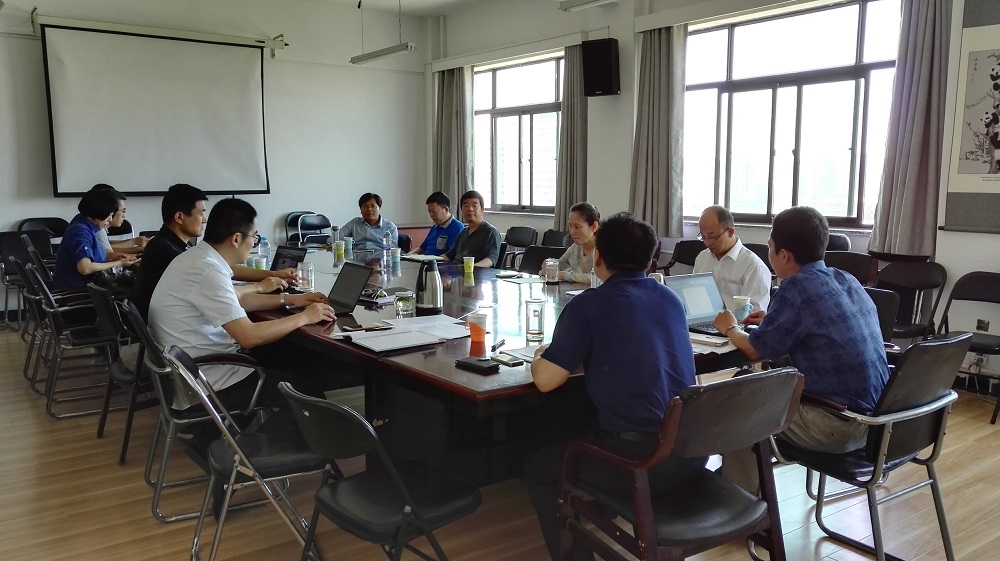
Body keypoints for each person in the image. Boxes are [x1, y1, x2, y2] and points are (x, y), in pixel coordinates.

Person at [524, 212, 706, 561]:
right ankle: (604, 508)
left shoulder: (589, 304)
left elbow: (546, 380)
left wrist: (540, 355)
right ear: (650, 261)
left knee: (539, 466)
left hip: (641, 462)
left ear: (598, 257)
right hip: (690, 451)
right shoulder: (670, 299)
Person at [712, 206, 889, 492]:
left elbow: (755, 351)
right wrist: (773, 321)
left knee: (741, 398)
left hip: (836, 425)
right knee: (751, 387)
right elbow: (817, 326)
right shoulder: (846, 279)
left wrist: (730, 328)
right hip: (880, 423)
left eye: (770, 247)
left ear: (783, 255)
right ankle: (736, 479)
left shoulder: (795, 289)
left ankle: (738, 497)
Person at [148, 198, 336, 410]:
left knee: (291, 358)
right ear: (236, 238)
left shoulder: (195, 257)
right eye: (254, 236)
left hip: (192, 373)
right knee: (308, 394)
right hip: (210, 385)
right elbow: (249, 336)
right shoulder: (208, 272)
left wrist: (290, 299)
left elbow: (238, 299)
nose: (254, 242)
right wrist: (305, 316)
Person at [131, 185, 293, 320]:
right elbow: (219, 283)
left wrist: (272, 275)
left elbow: (219, 266)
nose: (205, 219)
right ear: (179, 217)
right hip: (169, 330)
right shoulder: (167, 251)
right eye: (201, 213)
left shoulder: (168, 243)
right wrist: (260, 286)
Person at [693, 205, 773, 312]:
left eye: (712, 237)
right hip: (702, 318)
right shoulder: (702, 258)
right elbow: (695, 295)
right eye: (703, 237)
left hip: (735, 322)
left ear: (730, 232)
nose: (707, 242)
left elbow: (754, 314)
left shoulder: (753, 267)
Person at [54, 190, 134, 290]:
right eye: (109, 215)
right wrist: (119, 263)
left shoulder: (84, 226)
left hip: (89, 285)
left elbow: (93, 258)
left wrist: (114, 259)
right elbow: (85, 268)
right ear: (99, 212)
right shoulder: (81, 232)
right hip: (80, 290)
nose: (110, 219)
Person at [88, 184, 148, 258]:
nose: (124, 216)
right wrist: (137, 249)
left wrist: (134, 242)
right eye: (123, 211)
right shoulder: (97, 227)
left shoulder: (94, 223)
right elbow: (108, 253)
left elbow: (107, 245)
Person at [445, 190, 501, 267]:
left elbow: (491, 259)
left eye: (475, 206)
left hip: (475, 272)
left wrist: (470, 268)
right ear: (462, 210)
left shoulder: (490, 231)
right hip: (456, 270)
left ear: (482, 209)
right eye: (466, 206)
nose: (470, 209)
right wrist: (431, 260)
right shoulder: (463, 232)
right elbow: (450, 255)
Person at [409, 191, 465, 256]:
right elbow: (421, 248)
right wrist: (408, 255)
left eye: (434, 211)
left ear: (446, 209)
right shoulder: (434, 228)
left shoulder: (457, 227)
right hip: (425, 260)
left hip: (440, 261)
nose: (431, 215)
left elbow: (453, 254)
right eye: (429, 212)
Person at [557, 202, 599, 283]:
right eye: (570, 226)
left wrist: (565, 275)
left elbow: (598, 278)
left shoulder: (603, 249)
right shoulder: (575, 247)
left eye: (577, 227)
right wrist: (550, 265)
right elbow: (560, 264)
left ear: (594, 227)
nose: (572, 232)